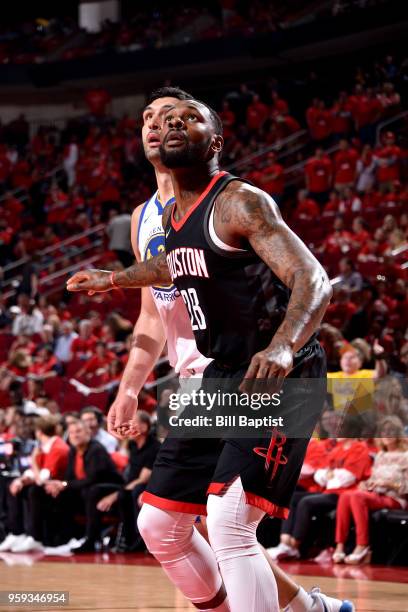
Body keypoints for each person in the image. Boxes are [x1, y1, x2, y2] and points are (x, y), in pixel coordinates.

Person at [67, 90, 354, 612]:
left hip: (276, 376)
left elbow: (313, 277)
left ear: (216, 142)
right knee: (158, 523)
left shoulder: (239, 200)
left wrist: (284, 346)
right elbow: (171, 265)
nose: (172, 124)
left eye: (188, 117)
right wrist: (113, 279)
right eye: (161, 118)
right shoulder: (172, 214)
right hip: (223, 374)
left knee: (229, 522)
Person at [333, 416, 408, 565]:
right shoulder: (380, 456)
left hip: (396, 499)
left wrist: (388, 484)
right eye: (384, 431)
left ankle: (362, 545)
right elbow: (372, 479)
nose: (387, 435)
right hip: (376, 495)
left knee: (356, 497)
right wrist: (366, 484)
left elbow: (405, 487)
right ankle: (340, 545)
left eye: (391, 431)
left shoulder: (406, 456)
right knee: (347, 495)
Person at [44, 419, 123, 551]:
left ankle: (91, 540)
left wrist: (64, 484)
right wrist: (58, 485)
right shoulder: (73, 451)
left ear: (88, 433)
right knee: (58, 493)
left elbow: (93, 478)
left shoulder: (96, 449)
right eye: (71, 433)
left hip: (111, 487)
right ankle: (63, 538)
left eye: (79, 431)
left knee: (91, 491)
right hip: (87, 488)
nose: (75, 435)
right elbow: (69, 478)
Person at [88, 411, 161, 552]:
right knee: (95, 490)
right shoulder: (132, 445)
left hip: (145, 486)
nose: (128, 427)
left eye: (132, 423)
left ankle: (134, 539)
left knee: (130, 493)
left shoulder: (154, 447)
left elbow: (143, 479)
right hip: (127, 484)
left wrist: (114, 495)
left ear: (145, 427)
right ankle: (91, 539)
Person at [0, 416, 70, 553]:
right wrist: (20, 480)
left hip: (60, 489)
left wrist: (33, 461)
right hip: (47, 485)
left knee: (33, 490)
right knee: (13, 484)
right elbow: (34, 473)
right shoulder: (45, 446)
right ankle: (17, 533)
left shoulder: (58, 447)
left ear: (38, 432)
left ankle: (34, 537)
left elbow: (43, 478)